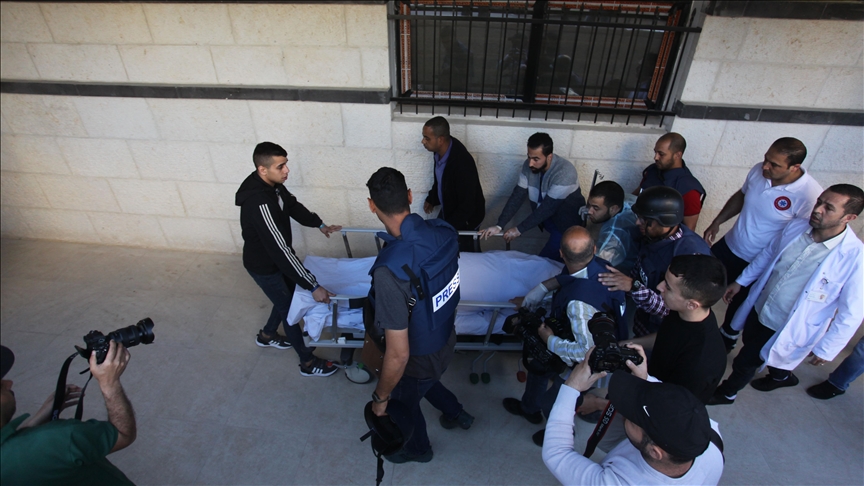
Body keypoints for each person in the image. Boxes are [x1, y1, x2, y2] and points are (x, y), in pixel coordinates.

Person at [710, 184, 864, 405]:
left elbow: (852, 312)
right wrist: (741, 281)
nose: (817, 209)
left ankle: (727, 393)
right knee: (755, 344)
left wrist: (827, 348)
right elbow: (768, 254)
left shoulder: (854, 257)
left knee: (746, 361)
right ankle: (781, 376)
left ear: (848, 217)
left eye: (828, 208)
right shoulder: (797, 227)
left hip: (786, 324)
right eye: (819, 201)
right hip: (761, 307)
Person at [366, 167, 474, 464]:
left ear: (372, 205)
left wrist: (380, 399)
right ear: (410, 196)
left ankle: (419, 450)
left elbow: (398, 355)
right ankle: (456, 413)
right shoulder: (443, 231)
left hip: (418, 357)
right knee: (424, 382)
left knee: (405, 400)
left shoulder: (390, 271)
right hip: (446, 337)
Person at [579, 255, 728, 451]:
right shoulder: (683, 313)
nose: (659, 287)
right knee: (606, 444)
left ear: (692, 304)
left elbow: (669, 408)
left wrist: (602, 404)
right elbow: (666, 336)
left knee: (617, 452)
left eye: (668, 287)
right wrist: (625, 344)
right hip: (645, 391)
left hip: (656, 422)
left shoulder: (701, 361)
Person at [502, 227, 626, 446]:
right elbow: (569, 278)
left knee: (556, 401)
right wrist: (541, 289)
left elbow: (584, 352)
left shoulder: (579, 304)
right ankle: (529, 408)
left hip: (582, 357)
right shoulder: (603, 268)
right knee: (538, 369)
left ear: (560, 253)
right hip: (577, 333)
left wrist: (548, 339)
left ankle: (560, 434)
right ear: (594, 249)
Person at [702, 138, 822, 353]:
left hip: (757, 262)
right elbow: (742, 195)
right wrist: (717, 221)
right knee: (699, 284)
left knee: (737, 307)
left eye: (774, 164)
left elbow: (794, 240)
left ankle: (723, 344)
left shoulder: (809, 196)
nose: (765, 166)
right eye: (766, 159)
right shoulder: (759, 171)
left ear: (795, 167)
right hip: (728, 246)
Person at [542, 349, 724, 485]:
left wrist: (571, 388)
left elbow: (557, 453)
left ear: (655, 452)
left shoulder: (622, 482)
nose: (624, 414)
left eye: (632, 417)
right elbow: (672, 406)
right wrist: (645, 379)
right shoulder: (706, 436)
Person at [236, 141, 341, 377]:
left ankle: (267, 335)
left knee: (286, 298)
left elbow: (292, 206)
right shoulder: (260, 202)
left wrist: (319, 224)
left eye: (286, 164)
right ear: (263, 169)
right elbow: (281, 250)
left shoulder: (273, 186)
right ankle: (307, 362)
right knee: (290, 310)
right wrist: (313, 285)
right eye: (280, 166)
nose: (287, 170)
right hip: (264, 266)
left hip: (275, 260)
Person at [1, 343, 136, 484]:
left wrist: (36, 420)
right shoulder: (60, 438)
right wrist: (109, 383)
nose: (9, 383)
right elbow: (123, 434)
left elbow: (13, 449)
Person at [599, 186, 711, 337]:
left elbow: (674, 310)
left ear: (665, 221)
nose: (638, 222)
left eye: (645, 220)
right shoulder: (652, 236)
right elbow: (639, 267)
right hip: (642, 319)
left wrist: (633, 286)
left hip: (661, 333)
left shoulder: (691, 256)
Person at [478, 133, 586, 261]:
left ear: (549, 157)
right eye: (529, 157)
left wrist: (519, 230)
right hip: (547, 218)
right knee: (551, 261)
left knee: (544, 261)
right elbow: (517, 196)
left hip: (567, 225)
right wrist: (499, 225)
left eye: (536, 159)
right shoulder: (528, 166)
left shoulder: (565, 172)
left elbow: (548, 208)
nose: (530, 163)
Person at [421, 116, 486, 253]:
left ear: (440, 140)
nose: (423, 141)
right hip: (450, 210)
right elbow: (441, 179)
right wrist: (432, 198)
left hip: (467, 221)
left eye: (427, 138)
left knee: (467, 256)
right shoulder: (438, 153)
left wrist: (447, 227)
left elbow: (467, 206)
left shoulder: (462, 163)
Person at [635, 133, 705, 231]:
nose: (655, 157)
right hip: (637, 225)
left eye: (661, 154)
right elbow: (637, 194)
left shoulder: (689, 189)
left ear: (678, 155)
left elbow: (689, 229)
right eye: (655, 152)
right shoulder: (653, 170)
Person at [584, 180, 638, 273]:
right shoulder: (626, 199)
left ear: (614, 209)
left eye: (596, 208)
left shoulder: (614, 236)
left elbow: (598, 268)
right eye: (589, 205)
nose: (589, 211)